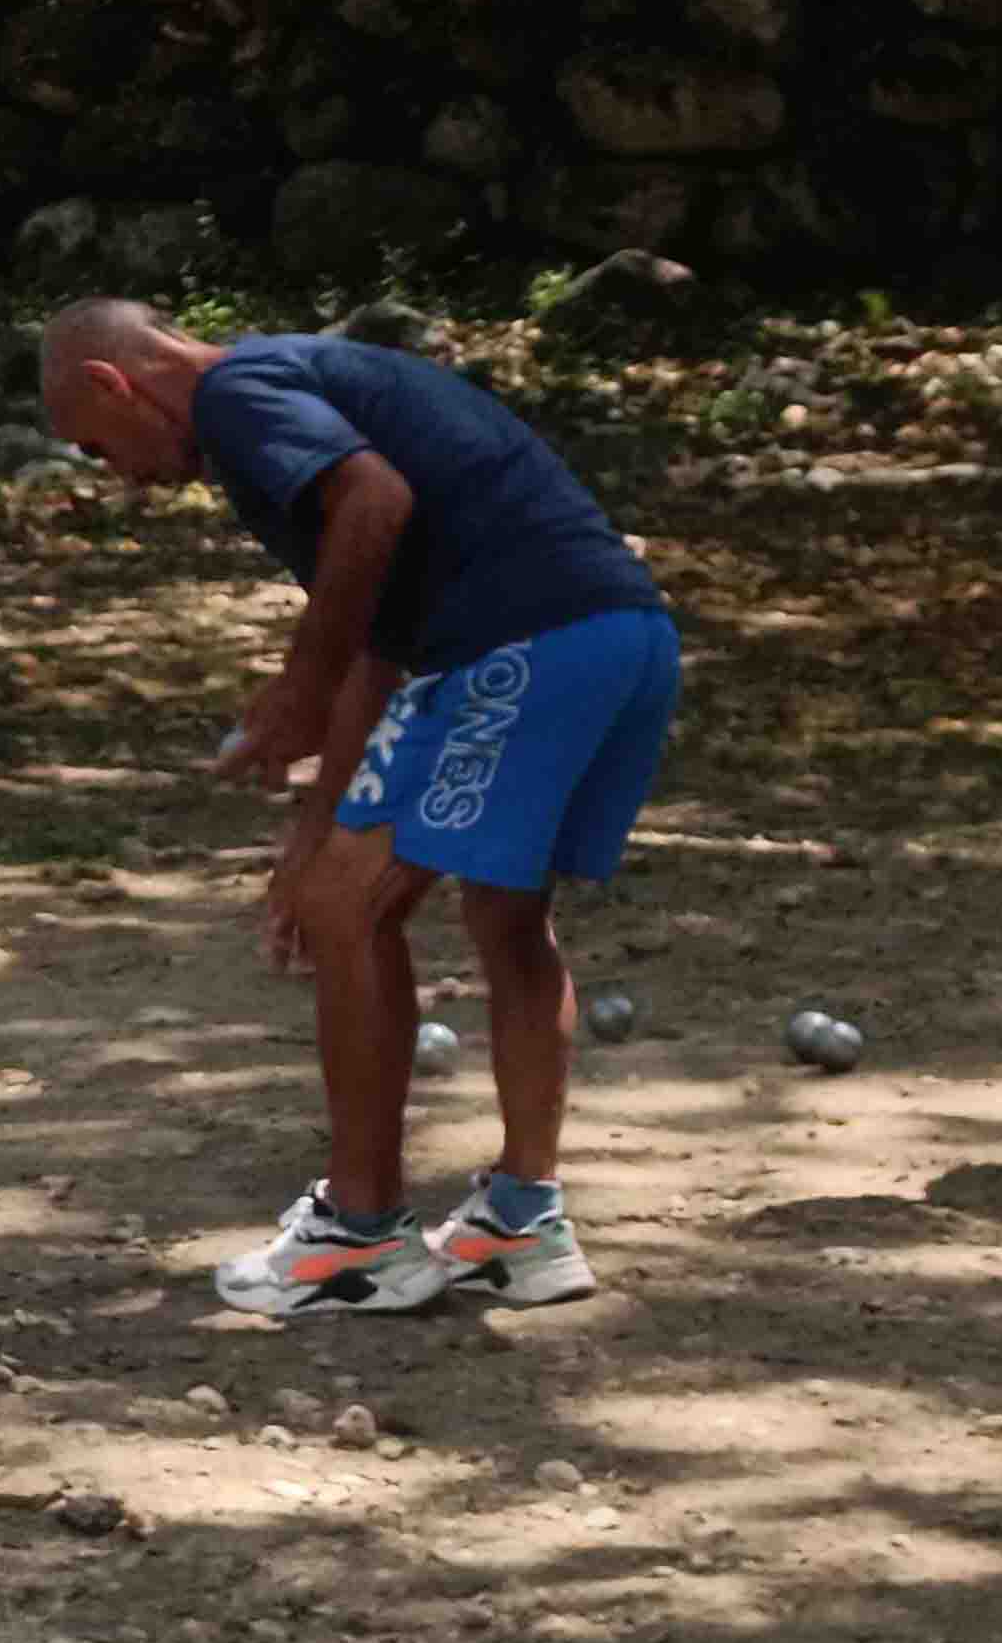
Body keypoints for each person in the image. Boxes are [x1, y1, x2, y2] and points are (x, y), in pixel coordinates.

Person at [37, 298, 680, 1317]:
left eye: (94, 445)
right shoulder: (307, 394)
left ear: (116, 384)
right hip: (621, 636)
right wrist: (310, 836)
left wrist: (297, 679)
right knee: (499, 913)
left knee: (353, 911)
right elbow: (380, 650)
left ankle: (364, 1232)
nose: (121, 476)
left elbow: (372, 506)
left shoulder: (240, 395)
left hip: (520, 647)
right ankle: (522, 1219)